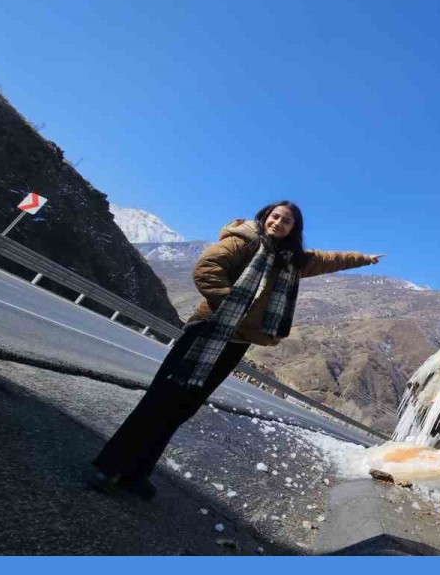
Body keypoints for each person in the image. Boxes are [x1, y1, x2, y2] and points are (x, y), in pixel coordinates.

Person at [91, 200, 382, 500]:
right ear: (265, 217)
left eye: (286, 221)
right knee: (162, 399)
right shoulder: (244, 240)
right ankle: (110, 466)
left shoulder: (290, 260)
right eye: (275, 217)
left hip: (237, 343)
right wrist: (233, 305)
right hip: (207, 331)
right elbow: (207, 268)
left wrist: (363, 259)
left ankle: (136, 472)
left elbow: (328, 259)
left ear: (293, 229)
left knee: (184, 407)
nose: (278, 223)